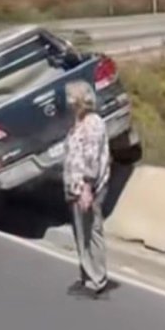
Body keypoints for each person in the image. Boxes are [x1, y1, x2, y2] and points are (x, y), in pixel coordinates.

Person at [63, 80, 113, 299]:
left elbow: (91, 157)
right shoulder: (78, 122)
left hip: (87, 187)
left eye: (70, 96)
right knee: (81, 232)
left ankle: (97, 278)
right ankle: (87, 275)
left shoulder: (93, 123)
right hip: (75, 186)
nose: (67, 101)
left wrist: (86, 187)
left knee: (91, 230)